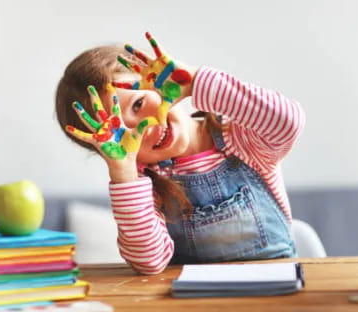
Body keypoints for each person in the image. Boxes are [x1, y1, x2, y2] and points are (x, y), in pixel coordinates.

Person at [55, 32, 305, 275]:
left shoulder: (241, 138)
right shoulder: (144, 182)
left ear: (161, 84)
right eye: (119, 134)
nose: (144, 128)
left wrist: (194, 81)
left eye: (138, 104)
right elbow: (149, 263)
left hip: (277, 286)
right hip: (193, 304)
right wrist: (124, 172)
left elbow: (287, 123)